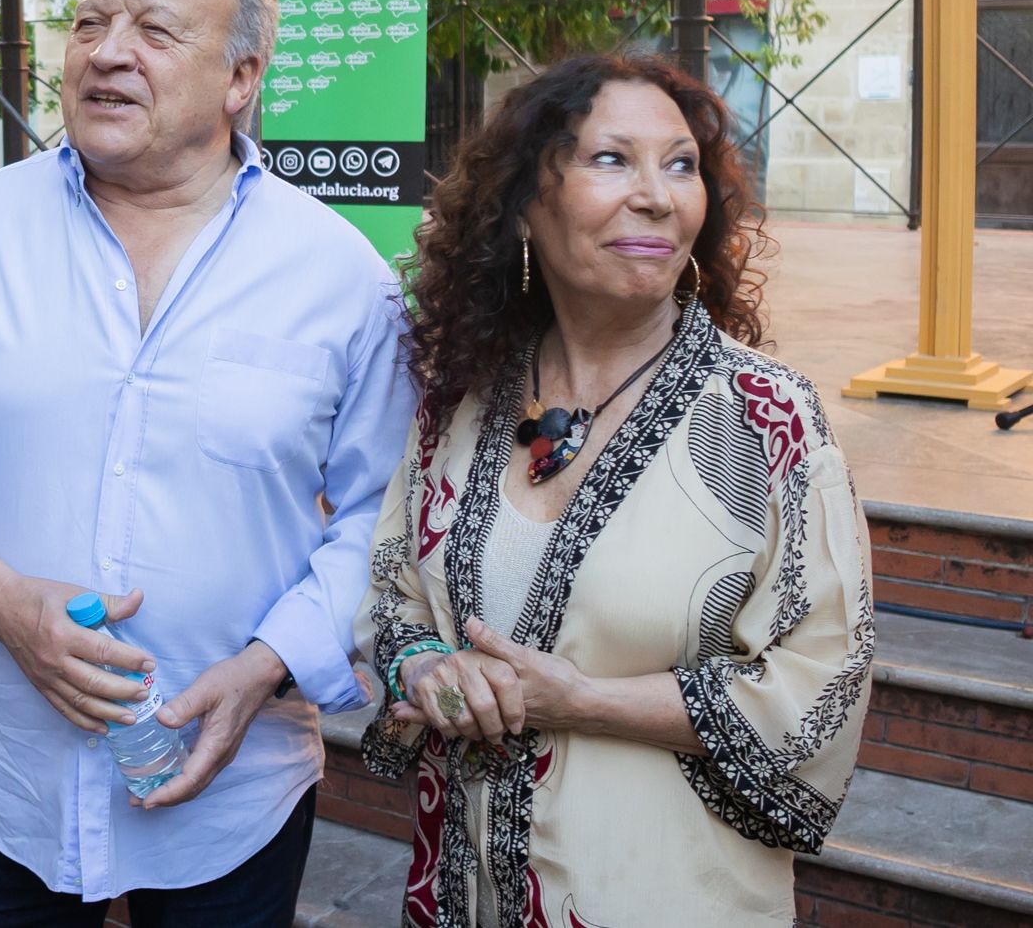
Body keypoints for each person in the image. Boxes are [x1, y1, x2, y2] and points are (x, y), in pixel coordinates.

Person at [0, 0, 416, 924]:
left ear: (239, 78)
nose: (107, 52)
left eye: (154, 30)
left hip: (232, 792)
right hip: (6, 777)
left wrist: (263, 668)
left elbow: (382, 520)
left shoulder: (337, 277)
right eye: (88, 22)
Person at [355, 53, 872, 927]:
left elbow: (824, 684)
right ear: (525, 204)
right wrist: (428, 669)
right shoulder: (463, 403)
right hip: (461, 895)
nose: (658, 195)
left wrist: (584, 701)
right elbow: (395, 597)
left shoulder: (765, 419)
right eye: (611, 159)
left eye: (681, 164)